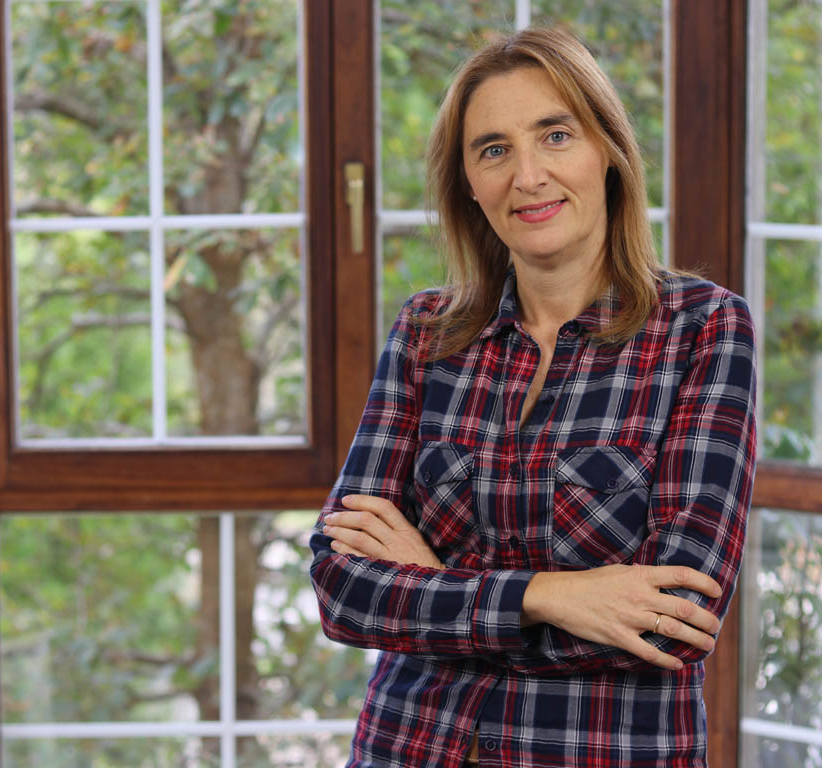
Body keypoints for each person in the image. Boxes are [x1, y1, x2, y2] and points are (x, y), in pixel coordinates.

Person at [309, 26, 756, 768]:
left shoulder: (703, 329)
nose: (528, 175)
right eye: (494, 150)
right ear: (469, 184)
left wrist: (433, 586)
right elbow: (341, 587)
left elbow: (674, 621)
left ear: (607, 150)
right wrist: (551, 597)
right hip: (411, 746)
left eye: (555, 135)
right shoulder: (427, 332)